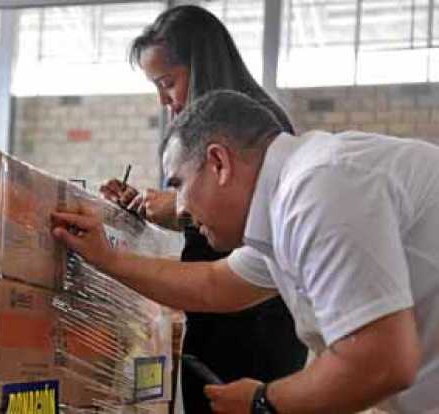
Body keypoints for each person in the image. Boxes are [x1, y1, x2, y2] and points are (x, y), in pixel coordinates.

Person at [52, 90, 438, 413]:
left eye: (180, 183)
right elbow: (214, 284)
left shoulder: (319, 187)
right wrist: (106, 258)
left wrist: (263, 402)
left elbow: (380, 363)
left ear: (219, 162)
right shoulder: (288, 201)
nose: (181, 207)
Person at [100, 6, 307, 413]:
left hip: (254, 323)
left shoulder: (252, 130)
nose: (163, 100)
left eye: (168, 82)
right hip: (219, 306)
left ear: (221, 160)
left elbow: (246, 223)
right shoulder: (205, 132)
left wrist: (175, 211)